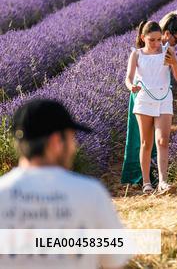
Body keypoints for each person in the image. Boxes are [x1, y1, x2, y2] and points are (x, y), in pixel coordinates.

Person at [0, 99, 130, 268]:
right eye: (72, 138)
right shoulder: (89, 193)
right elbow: (114, 259)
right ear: (56, 142)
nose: (74, 147)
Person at [121, 12, 177, 186]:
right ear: (143, 38)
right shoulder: (136, 54)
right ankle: (147, 183)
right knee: (145, 143)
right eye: (152, 40)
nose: (157, 43)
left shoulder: (168, 51)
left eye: (159, 39)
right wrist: (131, 87)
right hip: (144, 101)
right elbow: (128, 78)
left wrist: (174, 62)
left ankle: (163, 181)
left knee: (163, 141)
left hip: (164, 99)